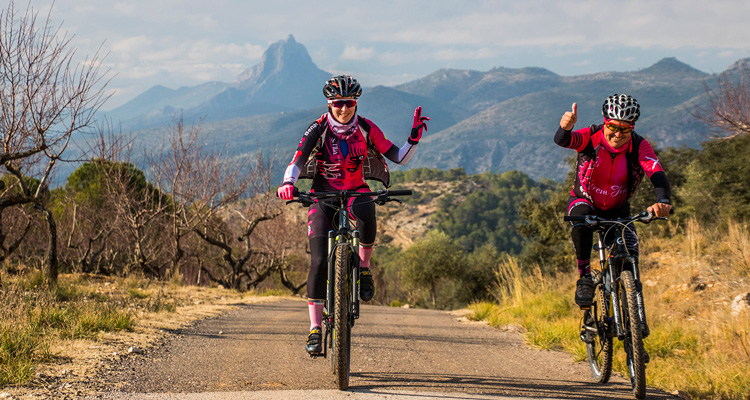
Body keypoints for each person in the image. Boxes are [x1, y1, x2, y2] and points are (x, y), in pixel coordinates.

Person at [277, 75, 429, 355]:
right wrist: (289, 183)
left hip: (356, 189)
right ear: (329, 103)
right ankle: (314, 328)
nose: (343, 109)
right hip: (323, 193)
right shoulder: (319, 128)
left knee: (366, 209)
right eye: (338, 103)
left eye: (348, 103)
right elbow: (297, 160)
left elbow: (398, 156)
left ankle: (365, 269)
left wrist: (414, 139)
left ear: (355, 102)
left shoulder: (367, 127)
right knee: (320, 260)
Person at [554, 94, 672, 311]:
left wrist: (662, 201)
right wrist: (566, 128)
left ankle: (634, 318)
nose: (618, 134)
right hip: (585, 200)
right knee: (580, 223)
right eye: (613, 126)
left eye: (625, 129)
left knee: (630, 256)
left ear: (632, 127)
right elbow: (562, 140)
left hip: (618, 209)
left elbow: (657, 174)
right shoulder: (591, 136)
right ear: (605, 121)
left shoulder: (639, 146)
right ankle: (585, 278)